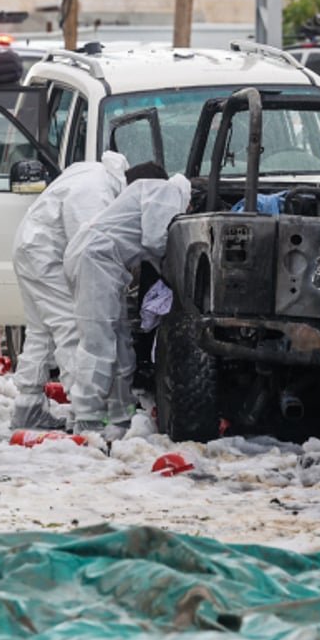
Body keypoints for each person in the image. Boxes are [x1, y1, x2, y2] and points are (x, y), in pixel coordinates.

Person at [63, 167, 191, 440]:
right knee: (98, 340)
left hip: (98, 259)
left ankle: (121, 416)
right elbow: (156, 241)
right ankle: (87, 419)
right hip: (97, 259)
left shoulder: (148, 189)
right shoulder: (167, 191)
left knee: (119, 339)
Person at [9, 151, 130, 430]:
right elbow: (86, 249)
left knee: (41, 331)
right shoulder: (96, 192)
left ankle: (27, 407)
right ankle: (85, 416)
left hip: (31, 248)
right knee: (72, 328)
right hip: (45, 255)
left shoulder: (93, 172)